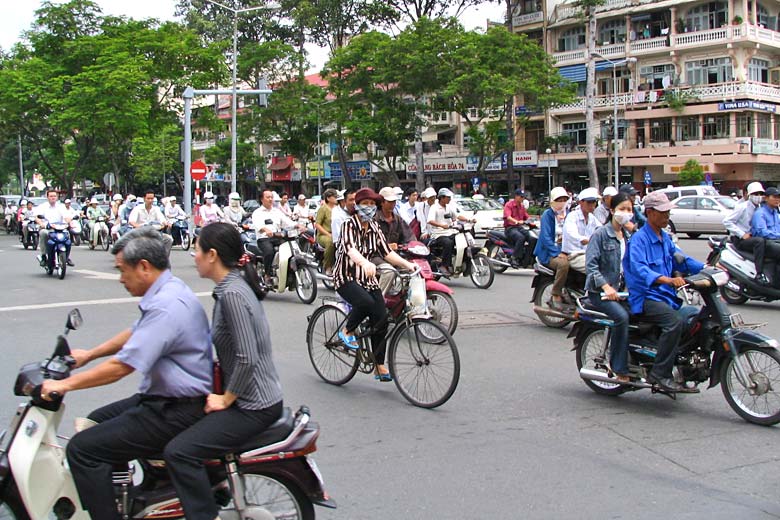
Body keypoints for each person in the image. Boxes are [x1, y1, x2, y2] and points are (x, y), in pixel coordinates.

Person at [40, 227, 213, 520]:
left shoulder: (167, 306)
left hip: (175, 409)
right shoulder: (169, 289)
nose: (120, 279)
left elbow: (122, 367)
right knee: (94, 420)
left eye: (122, 270)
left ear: (144, 266)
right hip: (162, 398)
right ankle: (124, 496)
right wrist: (90, 354)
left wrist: (65, 385)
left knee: (83, 450)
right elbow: (136, 332)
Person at [164, 223, 283, 520]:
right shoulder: (232, 286)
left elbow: (246, 357)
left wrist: (226, 399)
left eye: (197, 249)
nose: (194, 255)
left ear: (212, 255)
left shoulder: (232, 294)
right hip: (249, 397)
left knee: (179, 452)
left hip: (254, 404)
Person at [623, 191, 704, 393]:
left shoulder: (665, 238)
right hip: (645, 297)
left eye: (668, 212)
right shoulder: (639, 240)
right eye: (663, 212)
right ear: (650, 213)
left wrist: (707, 269)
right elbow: (641, 270)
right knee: (674, 322)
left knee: (694, 316)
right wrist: (668, 280)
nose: (667, 216)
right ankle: (660, 373)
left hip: (665, 296)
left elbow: (681, 259)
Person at [333, 188, 417, 381]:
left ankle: (379, 366)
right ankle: (347, 331)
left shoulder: (374, 227)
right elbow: (350, 249)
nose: (369, 208)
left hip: (368, 277)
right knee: (365, 303)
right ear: (357, 205)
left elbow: (386, 252)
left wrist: (407, 265)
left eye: (372, 204)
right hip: (346, 276)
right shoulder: (348, 225)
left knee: (381, 318)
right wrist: (364, 262)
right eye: (365, 204)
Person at [585, 192, 634, 383]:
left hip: (623, 291)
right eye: (622, 209)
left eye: (629, 210)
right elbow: (591, 267)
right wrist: (606, 287)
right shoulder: (600, 235)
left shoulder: (628, 236)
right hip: (601, 294)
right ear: (612, 210)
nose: (626, 213)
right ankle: (619, 367)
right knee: (622, 318)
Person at [251, 189, 300, 284]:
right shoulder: (257, 212)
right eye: (268, 197)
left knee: (291, 249)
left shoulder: (276, 212)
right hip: (264, 239)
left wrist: (297, 225)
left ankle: (288, 273)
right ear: (262, 199)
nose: (270, 199)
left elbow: (286, 222)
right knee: (269, 252)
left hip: (277, 237)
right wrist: (265, 229)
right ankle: (268, 275)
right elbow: (258, 225)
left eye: (271, 197)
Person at [724, 182, 769, 284]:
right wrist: (742, 234)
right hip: (741, 239)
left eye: (760, 194)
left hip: (752, 238)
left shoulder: (761, 208)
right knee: (760, 242)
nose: (758, 197)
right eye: (755, 194)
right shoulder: (742, 207)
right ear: (749, 195)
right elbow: (727, 221)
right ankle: (759, 274)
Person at [533, 187, 571, 309]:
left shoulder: (569, 214)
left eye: (564, 199)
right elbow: (545, 237)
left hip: (567, 250)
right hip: (548, 253)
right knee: (563, 265)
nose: (562, 202)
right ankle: (556, 294)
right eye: (559, 199)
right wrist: (556, 252)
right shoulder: (547, 215)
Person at [375, 186, 415, 292]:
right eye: (389, 201)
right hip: (375, 256)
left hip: (394, 256)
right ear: (381, 202)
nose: (392, 204)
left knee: (414, 269)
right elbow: (371, 243)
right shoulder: (374, 219)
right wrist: (387, 246)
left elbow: (409, 237)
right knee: (389, 271)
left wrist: (415, 246)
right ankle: (378, 302)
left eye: (394, 201)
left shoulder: (398, 219)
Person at [562, 187, 601, 274]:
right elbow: (571, 233)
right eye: (589, 202)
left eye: (594, 202)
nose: (592, 205)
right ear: (581, 202)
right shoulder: (572, 216)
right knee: (594, 268)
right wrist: (583, 239)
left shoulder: (592, 218)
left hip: (588, 253)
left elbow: (601, 229)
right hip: (574, 254)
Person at [35, 189, 75, 267]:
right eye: (51, 196)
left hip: (60, 228)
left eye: (54, 196)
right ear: (47, 197)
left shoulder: (61, 207)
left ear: (57, 197)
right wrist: (42, 224)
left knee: (67, 236)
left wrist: (70, 222)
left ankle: (66, 257)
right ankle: (44, 256)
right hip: (47, 228)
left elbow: (66, 217)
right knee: (43, 233)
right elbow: (37, 217)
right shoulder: (43, 206)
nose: (53, 198)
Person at [427, 188, 459, 276]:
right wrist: (442, 225)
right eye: (448, 197)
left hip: (450, 231)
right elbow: (430, 220)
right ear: (442, 198)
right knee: (448, 243)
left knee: (460, 239)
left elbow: (457, 216)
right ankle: (444, 265)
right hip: (438, 233)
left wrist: (469, 219)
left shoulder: (449, 207)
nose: (449, 199)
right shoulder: (434, 207)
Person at [750, 185, 780, 278]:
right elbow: (762, 232)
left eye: (778, 197)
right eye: (774, 197)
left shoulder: (775, 213)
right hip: (766, 242)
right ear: (766, 198)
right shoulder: (760, 213)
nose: (777, 200)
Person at [503, 189, 533, 268]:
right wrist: (516, 221)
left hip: (519, 227)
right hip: (510, 228)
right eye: (521, 197)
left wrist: (533, 221)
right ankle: (514, 257)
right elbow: (508, 217)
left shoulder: (521, 206)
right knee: (521, 237)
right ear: (516, 196)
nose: (522, 199)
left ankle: (528, 257)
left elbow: (527, 217)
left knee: (531, 237)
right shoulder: (509, 205)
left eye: (523, 197)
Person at [315, 189, 338, 275]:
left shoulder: (338, 209)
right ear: (328, 198)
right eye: (334, 196)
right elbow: (317, 224)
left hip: (337, 233)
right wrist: (328, 234)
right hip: (324, 235)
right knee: (331, 242)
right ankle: (327, 266)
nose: (336, 198)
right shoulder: (323, 208)